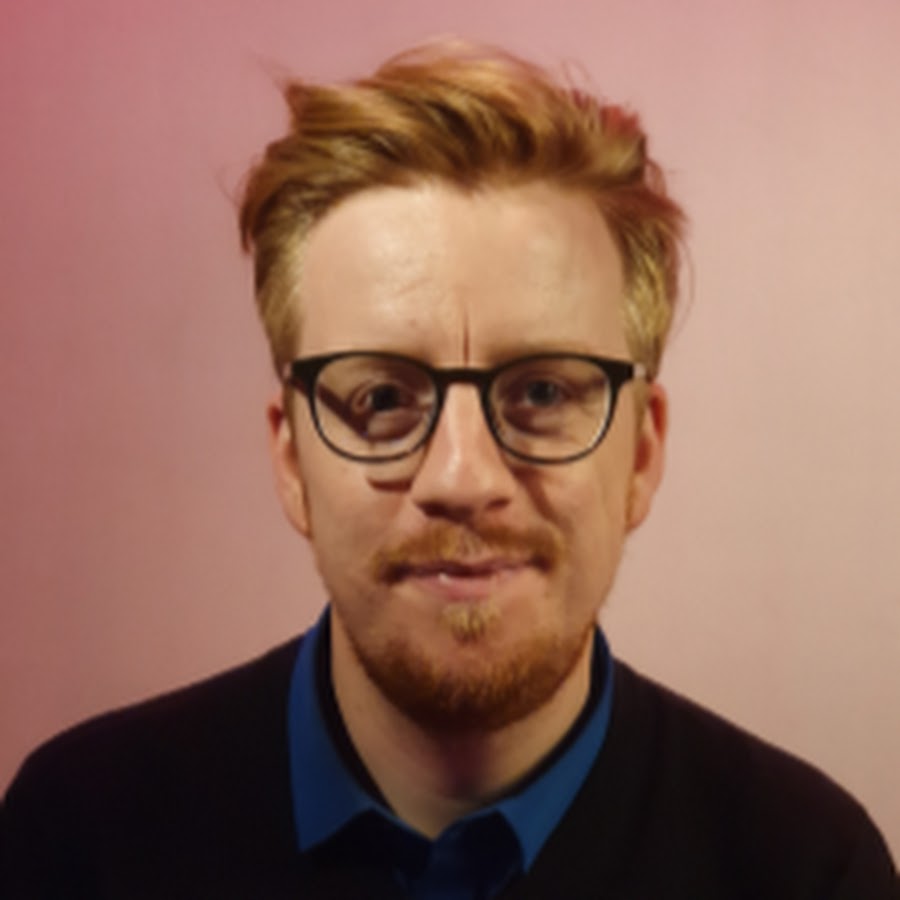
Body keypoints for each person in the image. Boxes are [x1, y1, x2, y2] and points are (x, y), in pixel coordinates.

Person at [1, 40, 897, 900]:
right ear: (291, 459)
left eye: (543, 391)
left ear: (642, 453)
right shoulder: (77, 842)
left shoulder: (807, 872)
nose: (462, 479)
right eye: (383, 398)